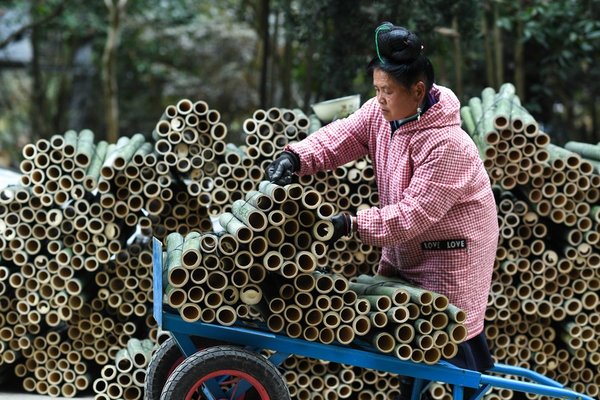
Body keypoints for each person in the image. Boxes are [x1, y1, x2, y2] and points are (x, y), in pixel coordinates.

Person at [266, 22, 499, 399]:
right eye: (376, 90)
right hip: (409, 246)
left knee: (452, 344)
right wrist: (295, 157)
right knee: (410, 345)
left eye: (386, 91)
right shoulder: (382, 114)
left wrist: (350, 224)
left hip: (452, 255)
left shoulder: (447, 144)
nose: (379, 99)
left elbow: (412, 215)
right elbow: (341, 135)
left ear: (418, 90)